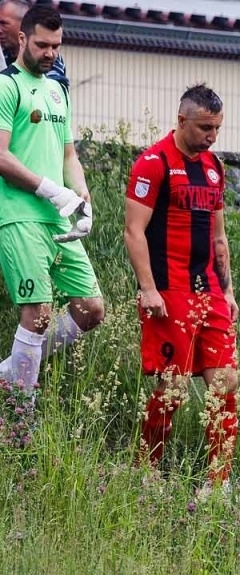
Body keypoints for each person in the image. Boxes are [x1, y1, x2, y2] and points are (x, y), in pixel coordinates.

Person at [125, 83, 239, 493]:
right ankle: (146, 471)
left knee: (226, 381)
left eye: (217, 128)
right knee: (172, 387)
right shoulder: (153, 163)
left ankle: (217, 484)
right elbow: (134, 231)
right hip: (169, 291)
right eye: (205, 127)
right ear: (181, 120)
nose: (212, 136)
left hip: (209, 291)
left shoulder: (213, 167)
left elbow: (219, 236)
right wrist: (148, 289)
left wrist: (227, 291)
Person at [0, 3, 102, 394]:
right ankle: (19, 418)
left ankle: (11, 372)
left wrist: (83, 198)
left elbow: (68, 155)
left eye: (56, 46)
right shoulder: (7, 85)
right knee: (38, 314)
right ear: (22, 38)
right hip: (19, 215)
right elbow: (1, 155)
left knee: (91, 310)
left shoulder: (58, 90)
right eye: (42, 45)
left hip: (58, 217)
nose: (50, 53)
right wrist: (48, 188)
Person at [0, 1, 69, 90]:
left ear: (23, 23)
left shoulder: (47, 58)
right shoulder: (5, 53)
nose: (0, 30)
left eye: (4, 24)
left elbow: (53, 93)